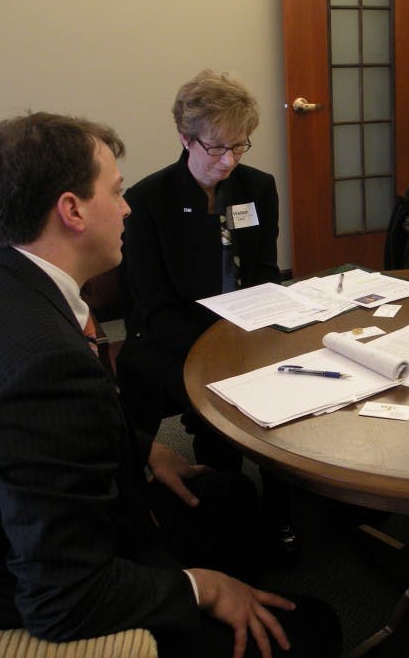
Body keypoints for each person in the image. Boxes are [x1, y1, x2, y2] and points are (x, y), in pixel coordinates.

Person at [0, 112, 340, 658]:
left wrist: (142, 449)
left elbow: (24, 439)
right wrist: (201, 589)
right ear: (72, 210)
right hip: (3, 593)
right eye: (116, 191)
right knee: (316, 628)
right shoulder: (45, 366)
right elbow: (63, 598)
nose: (128, 207)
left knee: (229, 497)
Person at [115, 70, 297, 554]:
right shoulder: (147, 201)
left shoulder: (258, 187)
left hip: (245, 325)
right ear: (185, 138)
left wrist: (266, 329)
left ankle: (282, 505)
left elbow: (264, 273)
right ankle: (224, 502)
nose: (229, 161)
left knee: (291, 385)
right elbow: (154, 306)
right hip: (170, 337)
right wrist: (222, 352)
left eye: (239, 146)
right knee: (219, 398)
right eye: (216, 148)